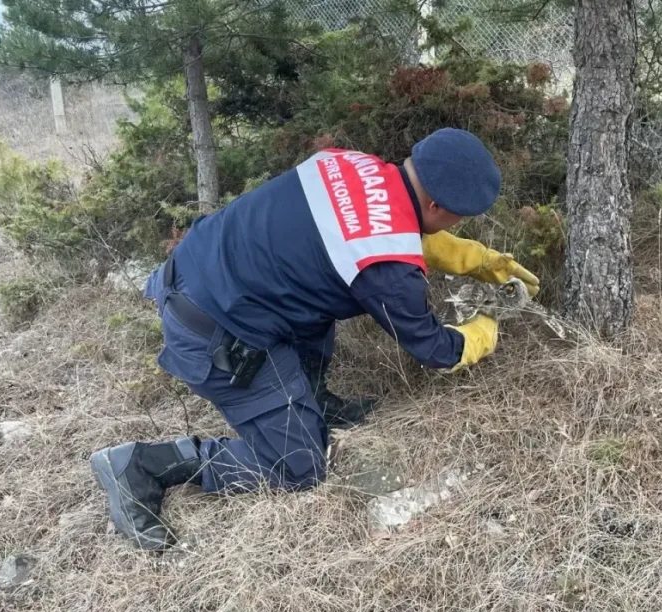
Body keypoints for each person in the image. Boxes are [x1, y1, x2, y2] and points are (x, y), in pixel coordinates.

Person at [89, 128, 540, 551]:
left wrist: (476, 259)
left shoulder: (352, 164)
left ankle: (313, 403)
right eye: (460, 217)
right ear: (440, 207)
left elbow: (379, 225)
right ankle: (142, 465)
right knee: (298, 468)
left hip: (206, 270)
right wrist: (486, 331)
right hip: (212, 329)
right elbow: (436, 349)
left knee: (320, 298)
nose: (460, 222)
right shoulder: (389, 275)